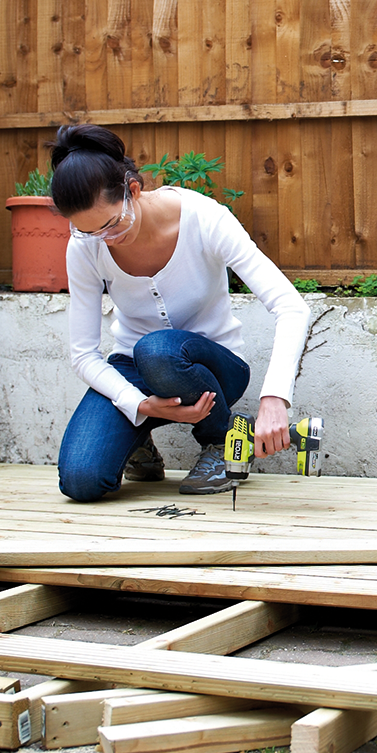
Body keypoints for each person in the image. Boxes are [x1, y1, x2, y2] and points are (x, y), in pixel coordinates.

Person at [48, 124, 312, 501]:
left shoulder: (204, 218)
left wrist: (274, 399)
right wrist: (137, 402)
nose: (105, 239)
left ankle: (220, 442)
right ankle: (136, 436)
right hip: (135, 370)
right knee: (80, 481)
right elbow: (83, 354)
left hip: (215, 368)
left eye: (111, 225)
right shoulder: (85, 246)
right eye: (88, 232)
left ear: (133, 190)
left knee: (157, 350)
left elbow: (291, 307)